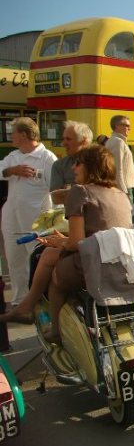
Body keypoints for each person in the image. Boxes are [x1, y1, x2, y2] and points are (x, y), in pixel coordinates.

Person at [44, 145, 133, 342]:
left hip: (93, 266)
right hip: (122, 267)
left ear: (91, 167)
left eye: (78, 164)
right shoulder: (121, 194)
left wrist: (61, 242)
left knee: (55, 280)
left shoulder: (80, 191)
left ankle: (56, 331)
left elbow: (76, 243)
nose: (73, 168)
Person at [0, 117, 57, 305]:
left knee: (36, 258)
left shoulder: (47, 157)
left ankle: (40, 298)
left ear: (23, 134)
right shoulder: (13, 156)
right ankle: (19, 300)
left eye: (13, 132)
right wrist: (13, 170)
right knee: (14, 257)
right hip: (11, 215)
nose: (11, 136)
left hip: (36, 218)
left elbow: (55, 189)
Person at [50, 121, 93, 195]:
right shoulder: (59, 165)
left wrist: (69, 189)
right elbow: (56, 197)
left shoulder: (99, 163)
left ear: (84, 141)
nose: (63, 143)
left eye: (68, 139)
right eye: (63, 139)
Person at [104, 115, 134, 198]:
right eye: (127, 125)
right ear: (117, 126)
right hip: (124, 187)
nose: (129, 128)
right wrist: (123, 191)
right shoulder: (118, 142)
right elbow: (117, 168)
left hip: (123, 186)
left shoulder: (117, 141)